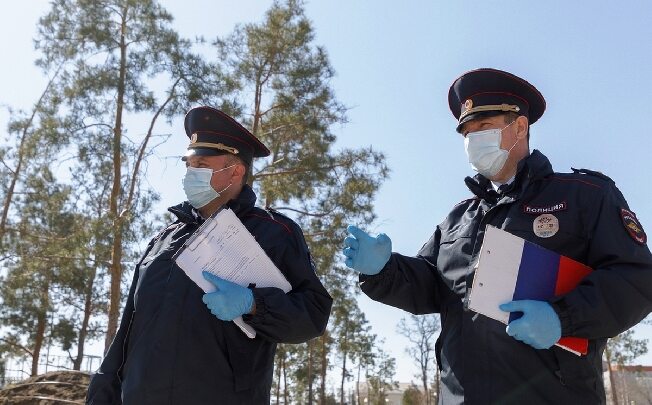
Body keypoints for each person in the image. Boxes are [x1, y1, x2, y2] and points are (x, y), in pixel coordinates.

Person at [342, 68, 652, 404]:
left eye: (484, 126)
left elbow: (636, 278)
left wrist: (564, 317)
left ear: (520, 127)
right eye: (466, 131)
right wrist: (383, 269)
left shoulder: (585, 197)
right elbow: (430, 286)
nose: (472, 139)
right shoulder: (457, 219)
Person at [87, 106, 332, 404]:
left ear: (236, 170)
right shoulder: (163, 240)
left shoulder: (275, 233)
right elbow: (126, 332)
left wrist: (254, 304)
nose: (190, 173)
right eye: (188, 165)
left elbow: (313, 315)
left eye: (200, 164)